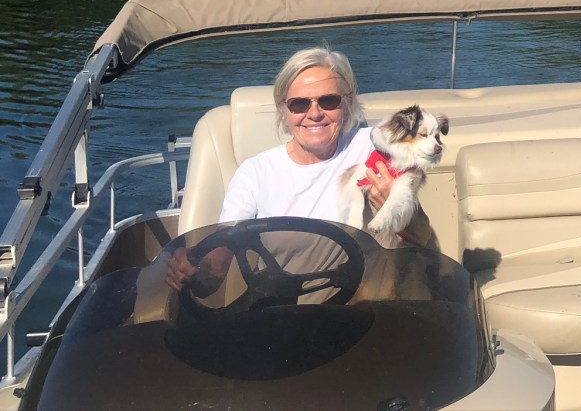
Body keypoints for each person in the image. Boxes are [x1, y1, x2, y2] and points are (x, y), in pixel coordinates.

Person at [166, 47, 431, 293]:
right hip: (287, 314)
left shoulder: (376, 147)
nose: (314, 114)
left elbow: (421, 237)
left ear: (348, 104)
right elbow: (219, 260)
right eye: (299, 104)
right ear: (283, 110)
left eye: (329, 101)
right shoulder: (255, 173)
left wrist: (398, 208)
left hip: (373, 303)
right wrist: (194, 271)